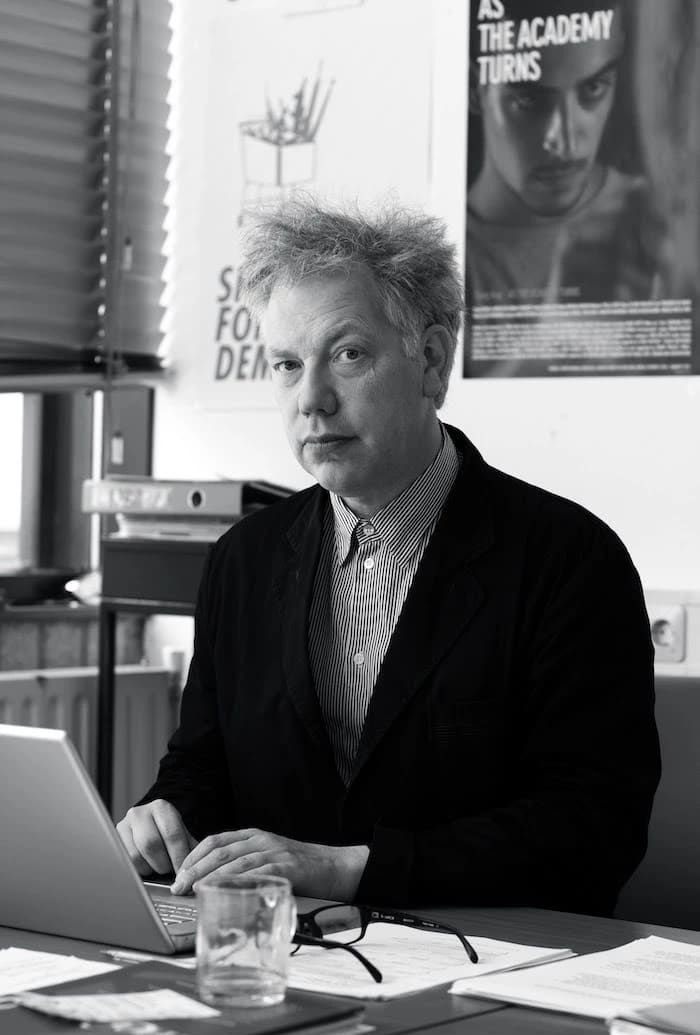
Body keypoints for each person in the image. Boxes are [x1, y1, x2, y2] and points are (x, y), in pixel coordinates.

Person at [117, 197, 660, 914]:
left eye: (348, 355)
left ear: (431, 361)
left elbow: (592, 831)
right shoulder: (242, 560)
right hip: (285, 951)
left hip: (494, 962)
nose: (310, 400)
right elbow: (203, 765)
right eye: (285, 363)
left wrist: (351, 870)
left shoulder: (570, 562)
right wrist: (164, 816)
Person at [466, 0, 662, 307]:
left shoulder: (659, 223)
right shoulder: (446, 254)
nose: (565, 140)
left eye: (594, 88)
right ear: (475, 88)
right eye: (530, 99)